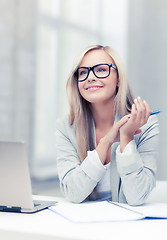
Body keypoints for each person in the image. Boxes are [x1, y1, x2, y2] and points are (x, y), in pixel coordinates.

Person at [56, 45, 159, 205]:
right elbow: (73, 193)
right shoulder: (65, 127)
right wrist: (106, 142)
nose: (90, 77)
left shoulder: (146, 125)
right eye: (83, 72)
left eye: (101, 69)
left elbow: (137, 196)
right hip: (82, 224)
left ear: (118, 79)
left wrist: (126, 137)